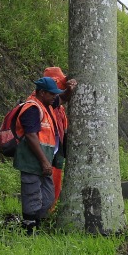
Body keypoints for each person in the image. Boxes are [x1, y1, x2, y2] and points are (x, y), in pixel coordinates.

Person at [13, 76, 62, 232]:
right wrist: (44, 162)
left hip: (42, 163)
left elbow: (63, 98)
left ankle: (36, 225)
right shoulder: (32, 108)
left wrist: (69, 85)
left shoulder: (45, 105)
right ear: (41, 92)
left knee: (48, 198)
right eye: (52, 93)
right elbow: (31, 136)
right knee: (32, 196)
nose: (55, 96)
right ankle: (29, 230)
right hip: (32, 162)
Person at [42, 66, 71, 203]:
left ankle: (52, 206)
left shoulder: (58, 106)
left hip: (56, 148)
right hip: (47, 148)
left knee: (56, 176)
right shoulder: (44, 102)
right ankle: (48, 208)